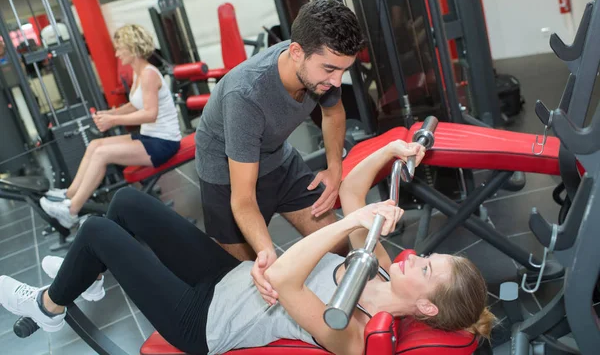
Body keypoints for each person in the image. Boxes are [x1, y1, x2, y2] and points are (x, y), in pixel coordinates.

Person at [0, 139, 494, 355]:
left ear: (425, 305)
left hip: (205, 324)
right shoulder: (381, 269)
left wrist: (356, 225)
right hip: (224, 281)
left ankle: (49, 305)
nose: (418, 257)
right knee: (127, 202)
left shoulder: (355, 333)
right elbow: (350, 194)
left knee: (96, 231)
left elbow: (284, 278)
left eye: (427, 268)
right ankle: (82, 278)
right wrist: (390, 153)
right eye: (428, 258)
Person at [195, 0, 364, 302]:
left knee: (339, 244)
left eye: (343, 70)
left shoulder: (321, 67)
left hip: (277, 158)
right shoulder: (246, 94)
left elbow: (333, 114)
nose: (337, 81)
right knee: (248, 281)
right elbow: (243, 199)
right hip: (225, 176)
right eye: (329, 69)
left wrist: (334, 168)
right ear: (296, 52)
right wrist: (266, 253)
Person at [40, 24, 182, 228]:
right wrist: (112, 113)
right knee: (95, 145)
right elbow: (135, 104)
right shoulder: (138, 72)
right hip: (150, 136)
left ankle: (71, 210)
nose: (116, 53)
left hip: (164, 143)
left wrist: (113, 121)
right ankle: (69, 194)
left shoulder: (149, 74)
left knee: (102, 154)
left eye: (119, 48)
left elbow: (150, 114)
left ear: (132, 48)